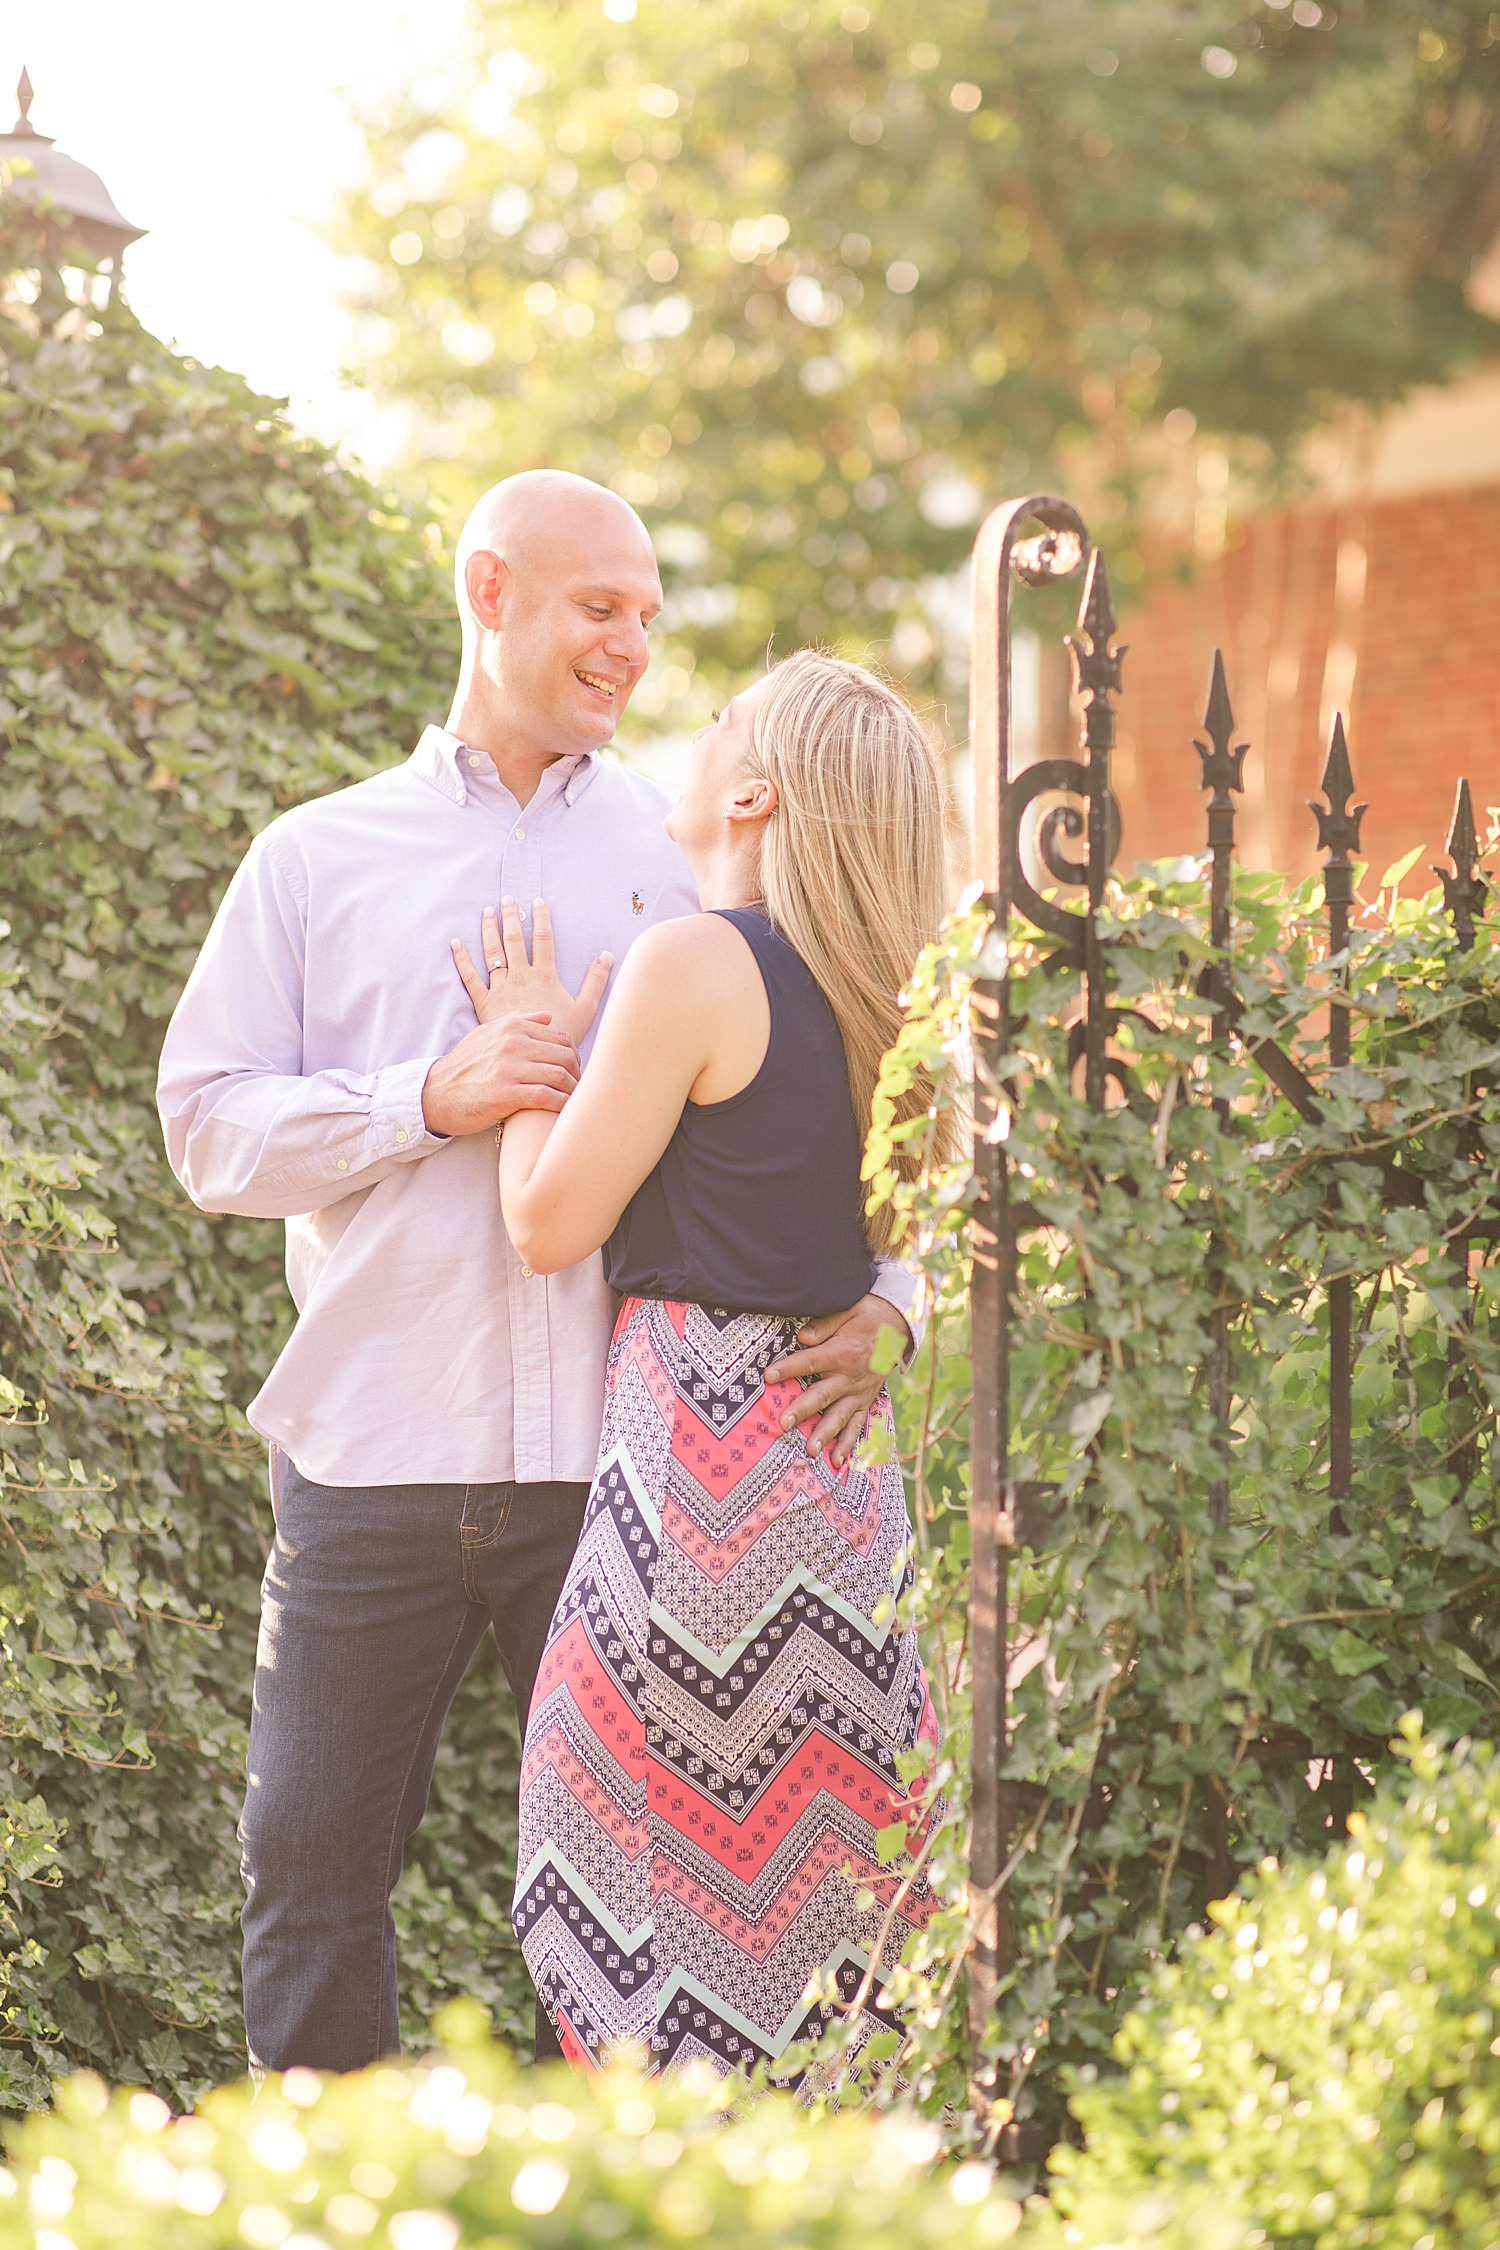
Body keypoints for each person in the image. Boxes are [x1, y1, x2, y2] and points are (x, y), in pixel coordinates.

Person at [155, 471, 922, 2074]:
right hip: (373, 1449)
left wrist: (901, 1301)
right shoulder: (314, 859)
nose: (635, 646)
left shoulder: (687, 861)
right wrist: (430, 1096)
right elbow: (207, 1131)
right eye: (602, 607)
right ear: (490, 591)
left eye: (648, 615)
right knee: (308, 1878)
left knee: (639, 1886)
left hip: (618, 1468)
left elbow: (864, 1069)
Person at [463, 650, 953, 2078]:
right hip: (848, 1498)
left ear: (755, 790)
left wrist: (521, 1057)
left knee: (598, 1848)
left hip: (698, 1473)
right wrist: (898, 1313)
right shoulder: (896, 992)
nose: (690, 738)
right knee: (841, 1910)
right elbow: (940, 1224)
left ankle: (680, 2192)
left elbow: (548, 1221)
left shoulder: (695, 959)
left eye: (721, 721)